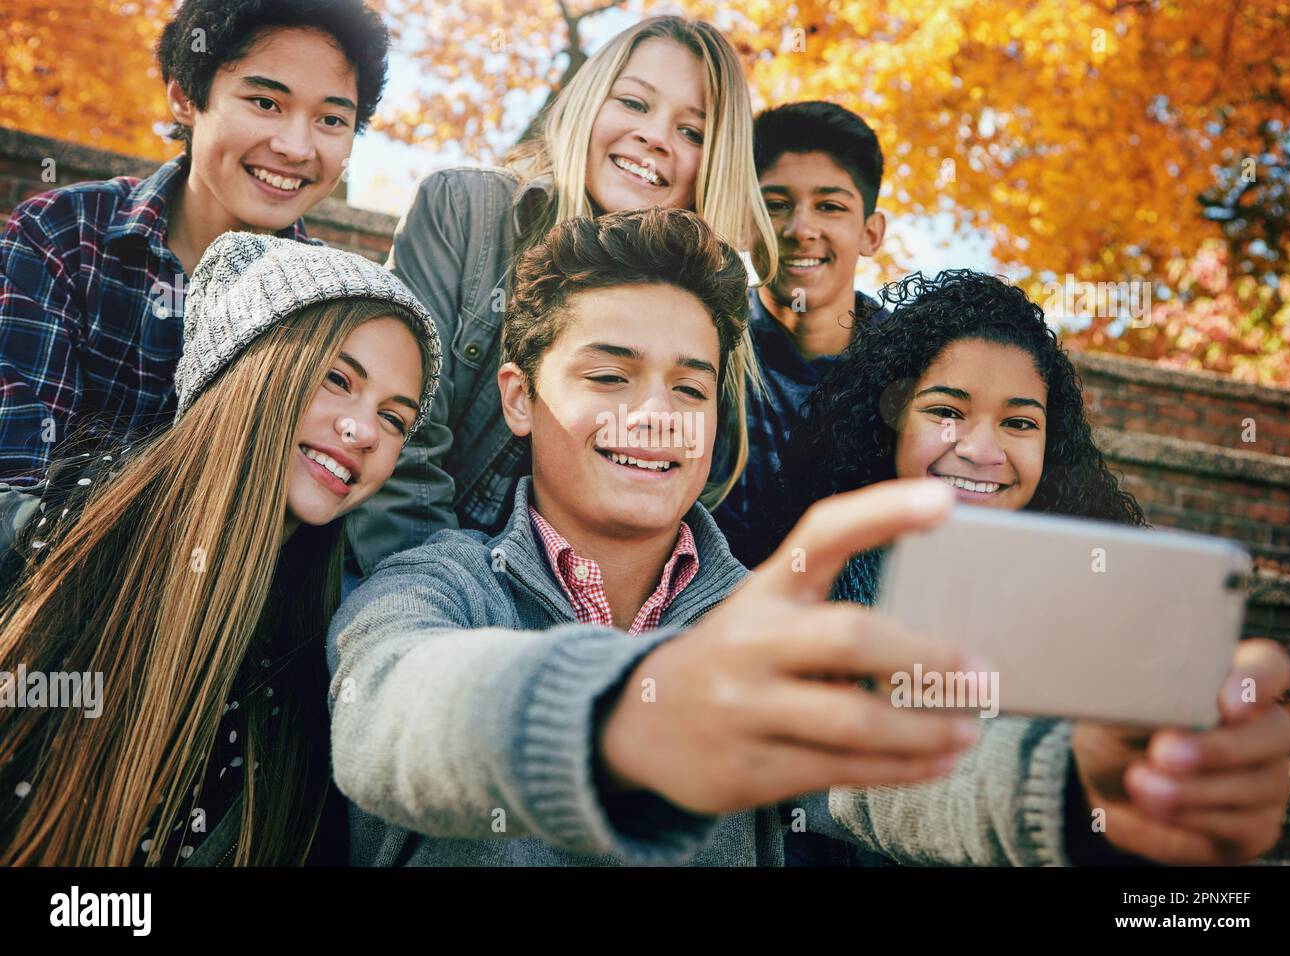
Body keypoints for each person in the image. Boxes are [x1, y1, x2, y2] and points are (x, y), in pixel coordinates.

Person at [327, 207, 983, 866]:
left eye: (690, 388)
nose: (658, 417)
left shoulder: (764, 626)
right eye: (610, 377)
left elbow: (903, 774)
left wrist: (1061, 784)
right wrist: (628, 715)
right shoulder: (434, 587)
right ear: (520, 398)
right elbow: (386, 711)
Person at [780, 270, 1290, 864]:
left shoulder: (1098, 599)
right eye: (946, 411)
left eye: (1020, 422)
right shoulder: (809, 588)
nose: (981, 449)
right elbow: (843, 781)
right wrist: (1061, 783)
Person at [0, 233, 441, 866]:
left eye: (396, 418)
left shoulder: (313, 671)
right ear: (243, 370)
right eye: (338, 380)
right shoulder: (39, 544)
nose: (365, 430)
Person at [344, 14, 781, 579]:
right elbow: (403, 434)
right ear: (589, 104)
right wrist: (438, 597)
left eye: (692, 132)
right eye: (634, 103)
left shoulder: (711, 312)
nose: (655, 136)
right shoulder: (466, 212)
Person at [0, 0, 390, 483]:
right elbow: (16, 480)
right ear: (186, 99)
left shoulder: (334, 307)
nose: (296, 148)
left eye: (331, 119)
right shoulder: (64, 234)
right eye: (266, 103)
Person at [710, 101, 890, 567]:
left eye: (829, 206)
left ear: (870, 233)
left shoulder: (916, 366)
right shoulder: (706, 345)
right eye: (776, 205)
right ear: (749, 223)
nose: (800, 229)